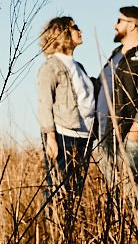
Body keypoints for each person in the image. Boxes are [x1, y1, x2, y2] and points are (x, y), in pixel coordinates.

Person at [93, 5, 138, 195]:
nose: (114, 25)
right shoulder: (115, 55)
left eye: (119, 21)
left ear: (132, 25)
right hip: (105, 134)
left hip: (128, 136)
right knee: (112, 193)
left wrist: (134, 132)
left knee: (131, 192)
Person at [35, 15, 95, 214]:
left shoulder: (78, 66)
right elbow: (44, 104)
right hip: (63, 135)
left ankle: (69, 227)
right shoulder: (51, 66)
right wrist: (50, 137)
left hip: (84, 136)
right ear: (62, 33)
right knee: (58, 187)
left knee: (75, 190)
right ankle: (54, 227)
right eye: (75, 27)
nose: (80, 31)